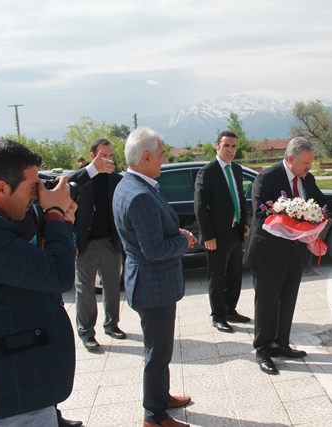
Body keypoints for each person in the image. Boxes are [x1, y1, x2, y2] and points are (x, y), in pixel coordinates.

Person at [0, 139, 78, 426]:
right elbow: (58, 275)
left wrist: (60, 224)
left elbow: (22, 267)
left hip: (1, 389)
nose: (36, 196)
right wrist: (56, 214)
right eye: (31, 187)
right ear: (1, 188)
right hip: (11, 395)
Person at [244, 136, 332, 375]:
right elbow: (262, 215)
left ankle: (282, 344)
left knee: (288, 299)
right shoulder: (266, 178)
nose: (309, 167)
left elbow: (322, 204)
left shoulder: (307, 179)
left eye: (311, 163)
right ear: (290, 159)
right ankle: (263, 350)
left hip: (295, 253)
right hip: (268, 254)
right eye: (305, 163)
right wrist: (294, 222)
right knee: (267, 303)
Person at [113, 127, 196, 427]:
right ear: (146, 156)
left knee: (160, 350)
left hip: (149, 284)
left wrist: (176, 233)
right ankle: (154, 415)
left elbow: (151, 235)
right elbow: (154, 249)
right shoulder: (139, 195)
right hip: (153, 287)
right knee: (157, 353)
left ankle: (162, 397)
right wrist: (183, 242)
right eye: (161, 155)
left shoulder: (132, 184)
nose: (164, 160)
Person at [68, 138, 126, 351]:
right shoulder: (81, 179)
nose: (107, 160)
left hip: (111, 242)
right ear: (92, 156)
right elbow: (66, 189)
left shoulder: (116, 180)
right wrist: (73, 242)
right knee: (85, 291)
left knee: (112, 287)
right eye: (103, 156)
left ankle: (112, 325)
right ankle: (86, 333)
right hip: (85, 245)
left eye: (111, 156)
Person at [194, 131, 250, 333]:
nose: (231, 150)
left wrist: (244, 221)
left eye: (234, 146)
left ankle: (230, 309)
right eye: (226, 146)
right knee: (217, 277)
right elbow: (200, 206)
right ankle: (218, 316)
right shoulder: (207, 172)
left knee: (235, 274)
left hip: (235, 232)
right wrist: (207, 236)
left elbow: (239, 197)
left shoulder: (236, 169)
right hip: (216, 237)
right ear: (217, 146)